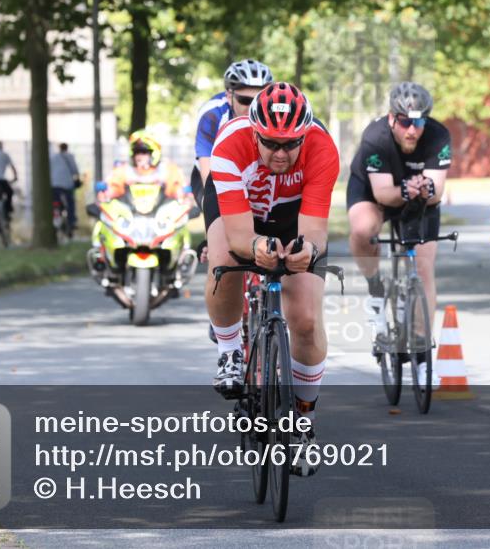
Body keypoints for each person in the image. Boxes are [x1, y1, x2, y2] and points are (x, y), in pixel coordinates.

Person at [204, 81, 339, 476]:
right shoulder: (230, 145)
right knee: (224, 260)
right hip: (241, 212)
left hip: (294, 215)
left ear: (305, 135)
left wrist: (307, 252)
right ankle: (230, 351)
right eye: (271, 144)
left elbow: (314, 232)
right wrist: (255, 246)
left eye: (291, 144)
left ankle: (304, 421)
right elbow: (239, 238)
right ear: (254, 133)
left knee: (307, 319)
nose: (281, 153)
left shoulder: (322, 148)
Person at [346, 82, 451, 382]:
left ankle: (422, 353)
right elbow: (383, 194)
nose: (412, 130)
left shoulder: (438, 135)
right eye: (405, 122)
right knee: (363, 229)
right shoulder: (375, 137)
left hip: (418, 198)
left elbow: (437, 191)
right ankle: (375, 289)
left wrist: (425, 189)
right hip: (375, 191)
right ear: (392, 118)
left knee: (423, 268)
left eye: (419, 122)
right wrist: (405, 189)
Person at [190, 59, 274, 209]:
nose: (252, 107)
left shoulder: (275, 112)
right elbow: (207, 169)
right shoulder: (212, 115)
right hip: (214, 173)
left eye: (258, 101)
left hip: (253, 173)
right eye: (245, 100)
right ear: (229, 96)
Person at [104, 130, 188, 203]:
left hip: (161, 213)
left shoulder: (167, 170)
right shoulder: (123, 170)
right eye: (137, 152)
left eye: (144, 152)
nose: (139, 156)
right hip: (131, 213)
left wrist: (182, 195)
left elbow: (177, 191)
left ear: (154, 154)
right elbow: (113, 188)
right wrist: (107, 194)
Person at [50, 143, 81, 234]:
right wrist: (77, 179)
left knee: (55, 203)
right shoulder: (69, 156)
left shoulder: (53, 157)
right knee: (70, 203)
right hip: (67, 184)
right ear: (67, 148)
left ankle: (55, 216)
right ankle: (71, 221)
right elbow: (75, 170)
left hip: (55, 184)